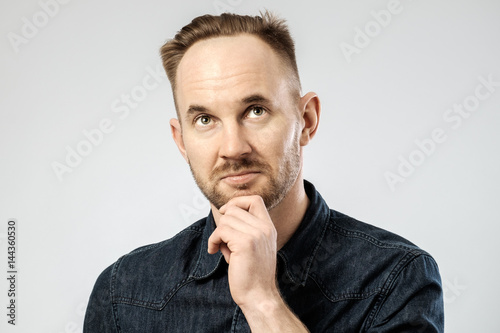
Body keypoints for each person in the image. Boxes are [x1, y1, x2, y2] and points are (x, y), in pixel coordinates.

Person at [84, 11, 444, 332]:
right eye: (205, 119)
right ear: (181, 140)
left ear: (306, 120)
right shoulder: (123, 293)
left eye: (255, 111)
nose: (233, 148)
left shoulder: (396, 279)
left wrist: (262, 301)